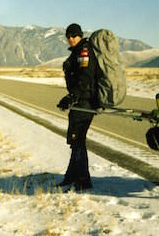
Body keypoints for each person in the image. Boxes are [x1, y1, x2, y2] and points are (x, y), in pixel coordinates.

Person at [56, 23, 97, 191]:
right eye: (68, 36)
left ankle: (83, 181)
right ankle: (71, 176)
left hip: (84, 102)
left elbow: (86, 76)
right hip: (80, 101)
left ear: (80, 35)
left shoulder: (84, 51)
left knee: (78, 140)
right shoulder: (78, 51)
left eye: (73, 36)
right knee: (75, 141)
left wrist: (73, 96)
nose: (70, 39)